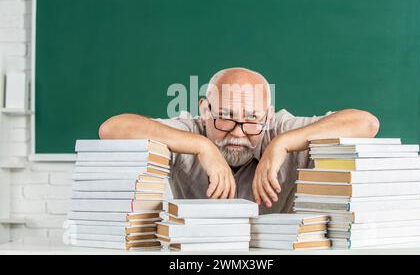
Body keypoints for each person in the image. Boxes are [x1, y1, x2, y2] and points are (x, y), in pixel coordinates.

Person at [99, 67, 379, 213]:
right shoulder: (190, 131)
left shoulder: (279, 129)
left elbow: (366, 123)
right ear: (204, 110)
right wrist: (202, 146)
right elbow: (112, 129)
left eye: (251, 120)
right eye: (225, 117)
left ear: (267, 116)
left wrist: (280, 145)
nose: (237, 132)